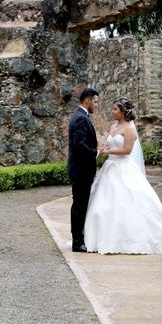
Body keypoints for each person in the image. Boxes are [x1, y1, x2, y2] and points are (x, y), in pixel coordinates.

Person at [84, 98, 162, 254]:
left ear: (123, 111)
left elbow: (127, 150)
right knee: (104, 202)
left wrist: (109, 152)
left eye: (115, 109)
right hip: (110, 167)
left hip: (123, 167)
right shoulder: (114, 126)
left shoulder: (130, 129)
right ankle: (100, 237)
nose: (112, 111)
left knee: (129, 200)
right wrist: (103, 150)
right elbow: (110, 144)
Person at [67, 88, 100, 253]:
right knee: (79, 206)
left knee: (80, 204)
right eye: (94, 101)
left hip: (80, 170)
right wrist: (96, 153)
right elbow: (79, 145)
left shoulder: (80, 116)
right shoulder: (81, 118)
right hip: (81, 171)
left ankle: (78, 239)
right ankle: (77, 242)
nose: (95, 105)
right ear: (88, 100)